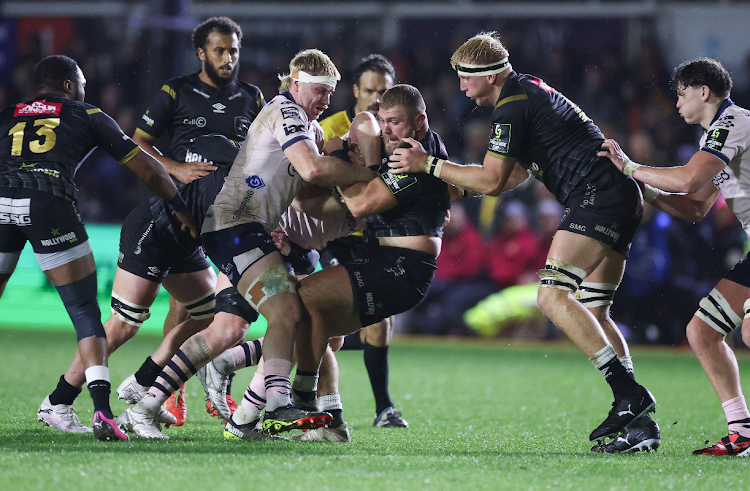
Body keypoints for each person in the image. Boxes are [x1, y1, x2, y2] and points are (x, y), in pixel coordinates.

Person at [387, 32, 657, 450]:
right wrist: (449, 184)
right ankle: (640, 423)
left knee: (551, 296)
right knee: (595, 313)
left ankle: (629, 395)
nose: (461, 87)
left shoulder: (511, 106)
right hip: (617, 196)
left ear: (489, 76)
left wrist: (430, 164)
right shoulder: (524, 91)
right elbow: (511, 176)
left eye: (465, 78)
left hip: (596, 197)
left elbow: (494, 178)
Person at [117, 48, 376, 439]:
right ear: (297, 83)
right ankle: (274, 403)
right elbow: (311, 168)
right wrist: (370, 178)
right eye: (320, 91)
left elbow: (304, 194)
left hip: (250, 231)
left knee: (255, 322)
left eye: (330, 93)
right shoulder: (285, 111)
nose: (326, 101)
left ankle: (150, 404)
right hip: (234, 225)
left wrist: (354, 204)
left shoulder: (313, 129)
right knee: (285, 312)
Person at [0, 55, 196, 441]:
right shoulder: (86, 112)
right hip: (48, 200)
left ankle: (62, 404)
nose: (86, 87)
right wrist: (179, 206)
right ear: (70, 86)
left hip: (2, 199)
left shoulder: (7, 113)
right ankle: (102, 412)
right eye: (83, 81)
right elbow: (147, 168)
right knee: (85, 310)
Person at [35, 135, 244, 434]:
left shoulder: (259, 178)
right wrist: (178, 165)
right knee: (123, 325)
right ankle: (58, 401)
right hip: (154, 232)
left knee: (213, 317)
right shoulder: (243, 158)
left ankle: (144, 382)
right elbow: (201, 144)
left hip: (187, 243)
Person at [599, 57, 750, 456]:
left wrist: (631, 167)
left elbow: (687, 179)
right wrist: (642, 190)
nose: (677, 103)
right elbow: (696, 206)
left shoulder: (734, 123)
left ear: (704, 92)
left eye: (682, 94)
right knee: (702, 332)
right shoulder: (715, 139)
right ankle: (742, 432)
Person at [291, 84, 451, 439]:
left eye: (395, 122)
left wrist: (335, 158)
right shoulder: (412, 148)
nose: (388, 130)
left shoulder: (413, 155)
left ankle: (298, 402)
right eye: (384, 122)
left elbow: (360, 205)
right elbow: (315, 205)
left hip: (402, 266)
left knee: (301, 298)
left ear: (419, 121)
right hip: (388, 261)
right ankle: (330, 420)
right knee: (318, 320)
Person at [133, 16, 264, 425]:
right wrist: (176, 168)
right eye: (220, 50)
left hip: (233, 210)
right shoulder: (176, 91)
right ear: (201, 52)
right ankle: (171, 392)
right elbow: (138, 144)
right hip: (185, 208)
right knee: (182, 303)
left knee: (223, 308)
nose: (228, 58)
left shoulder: (253, 97)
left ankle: (206, 373)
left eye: (234, 51)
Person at [318, 54, 409, 428]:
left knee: (379, 318)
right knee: (323, 325)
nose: (376, 97)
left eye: (383, 91)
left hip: (371, 238)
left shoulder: (396, 134)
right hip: (329, 238)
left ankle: (383, 408)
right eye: (370, 90)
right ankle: (291, 396)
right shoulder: (328, 129)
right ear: (355, 91)